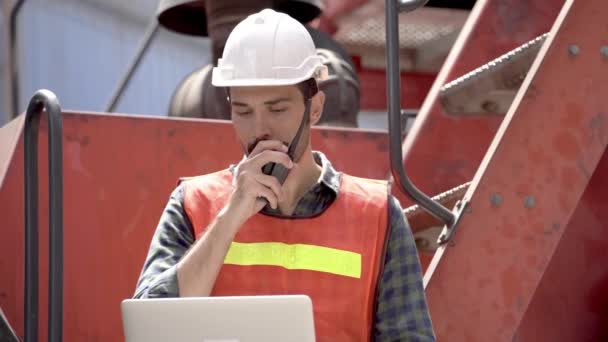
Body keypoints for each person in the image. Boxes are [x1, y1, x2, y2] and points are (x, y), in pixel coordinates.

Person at [134, 8, 435, 342]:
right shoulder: (192, 205)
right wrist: (231, 216)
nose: (260, 128)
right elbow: (153, 329)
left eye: (277, 109)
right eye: (243, 111)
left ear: (315, 108)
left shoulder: (378, 215)